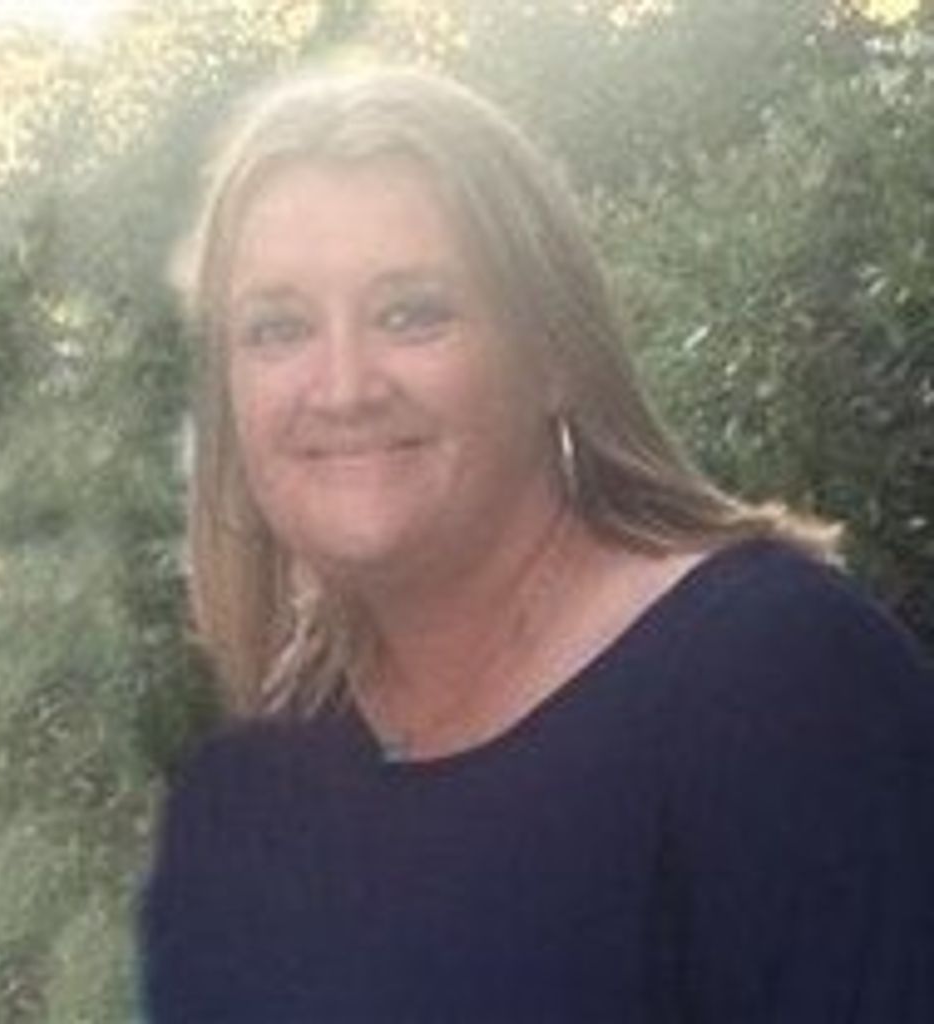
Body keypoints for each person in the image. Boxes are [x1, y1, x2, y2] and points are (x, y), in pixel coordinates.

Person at [140, 66, 934, 1023]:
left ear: (553, 351)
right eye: (278, 328)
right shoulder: (240, 804)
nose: (343, 386)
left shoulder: (776, 684)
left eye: (411, 313)